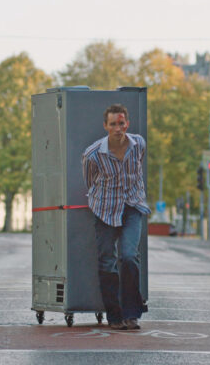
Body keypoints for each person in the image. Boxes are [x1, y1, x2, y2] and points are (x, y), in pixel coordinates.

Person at [82, 103, 150, 330]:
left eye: (121, 123)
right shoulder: (93, 154)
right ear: (106, 126)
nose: (118, 128)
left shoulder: (138, 144)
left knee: (130, 256)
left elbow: (138, 169)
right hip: (105, 208)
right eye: (113, 124)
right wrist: (98, 200)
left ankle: (132, 313)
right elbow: (89, 181)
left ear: (127, 124)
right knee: (107, 261)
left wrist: (136, 197)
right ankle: (114, 315)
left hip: (132, 206)